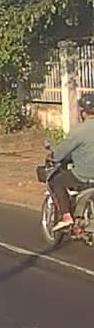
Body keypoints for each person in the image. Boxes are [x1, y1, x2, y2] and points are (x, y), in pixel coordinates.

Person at [47, 93, 94, 230]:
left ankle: (66, 216)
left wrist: (51, 156)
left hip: (83, 175)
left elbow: (59, 154)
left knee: (55, 181)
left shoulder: (78, 131)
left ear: (82, 112)